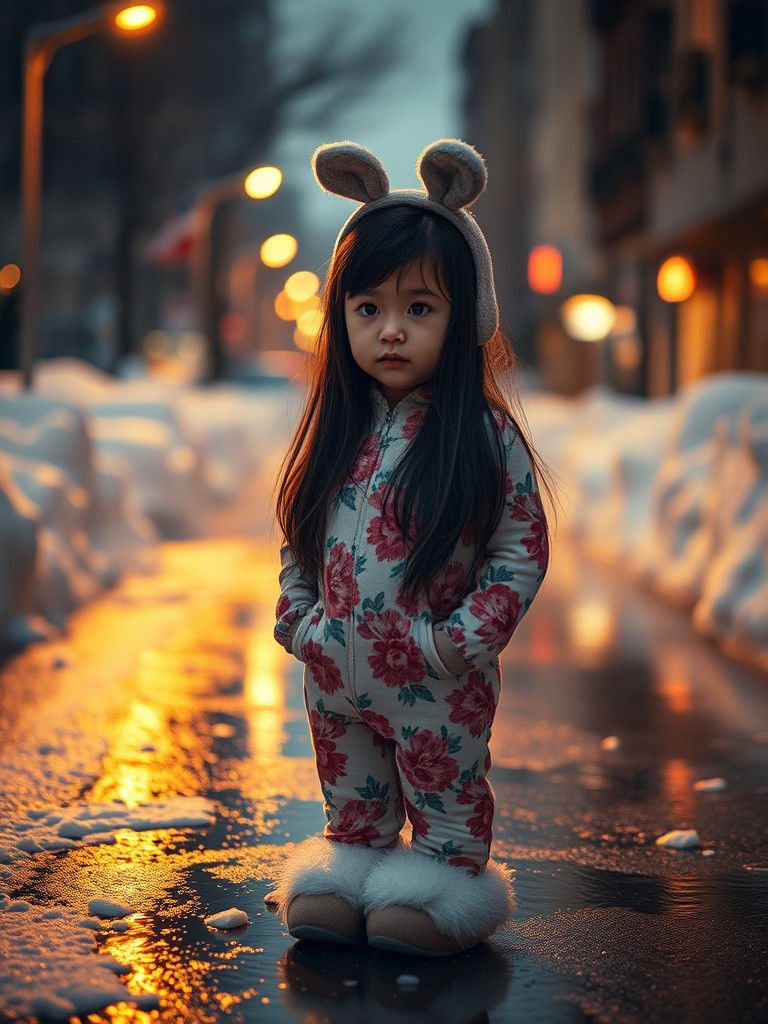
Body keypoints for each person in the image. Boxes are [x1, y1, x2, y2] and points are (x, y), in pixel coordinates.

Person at [270, 139, 554, 957]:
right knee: (350, 794)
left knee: (445, 792)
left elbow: (519, 543)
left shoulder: (483, 433)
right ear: (342, 316)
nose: (391, 330)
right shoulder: (339, 427)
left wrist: (458, 641)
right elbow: (300, 535)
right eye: (369, 309)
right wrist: (301, 621)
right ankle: (349, 867)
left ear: (466, 315)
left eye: (419, 309)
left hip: (435, 676)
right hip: (335, 674)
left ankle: (442, 885)